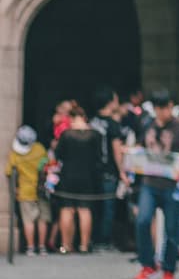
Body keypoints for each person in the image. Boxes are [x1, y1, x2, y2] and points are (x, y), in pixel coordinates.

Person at [132, 91, 179, 279]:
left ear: (171, 106)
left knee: (172, 228)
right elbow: (141, 145)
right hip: (150, 182)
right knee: (143, 220)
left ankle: (169, 269)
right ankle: (148, 264)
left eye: (165, 108)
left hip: (173, 184)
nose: (162, 113)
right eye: (158, 109)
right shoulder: (147, 124)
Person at [53, 104, 105, 254]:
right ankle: (84, 245)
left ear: (71, 118)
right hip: (87, 176)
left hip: (68, 175)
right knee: (84, 209)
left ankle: (65, 245)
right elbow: (99, 157)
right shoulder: (95, 135)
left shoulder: (66, 134)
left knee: (67, 209)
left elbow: (58, 155)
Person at [89, 88, 125, 250]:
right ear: (110, 103)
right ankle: (104, 241)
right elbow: (116, 150)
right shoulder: (112, 124)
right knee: (108, 208)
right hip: (109, 171)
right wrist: (122, 172)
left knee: (94, 207)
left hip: (91, 171)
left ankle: (92, 239)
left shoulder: (91, 122)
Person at [6, 125, 47, 255]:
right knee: (42, 219)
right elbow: (47, 165)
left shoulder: (15, 154)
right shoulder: (39, 148)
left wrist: (15, 188)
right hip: (42, 188)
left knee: (28, 220)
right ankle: (42, 247)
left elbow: (9, 172)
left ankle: (30, 247)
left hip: (25, 190)